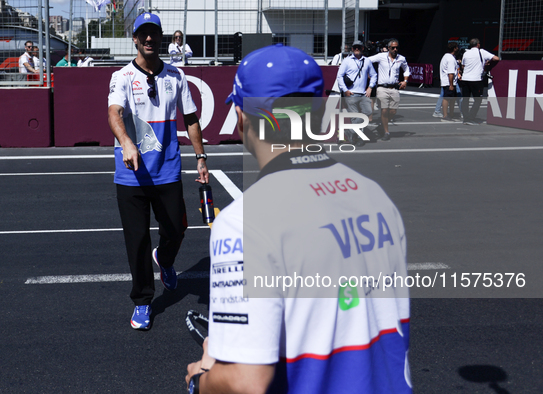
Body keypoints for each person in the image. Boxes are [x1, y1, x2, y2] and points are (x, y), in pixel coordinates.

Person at [185, 44, 411, 393]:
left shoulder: (245, 220)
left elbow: (246, 383)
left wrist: (201, 379)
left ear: (242, 117)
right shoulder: (375, 195)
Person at [108, 13, 209, 330]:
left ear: (161, 38)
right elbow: (114, 112)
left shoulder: (176, 77)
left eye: (154, 33)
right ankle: (142, 301)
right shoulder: (122, 76)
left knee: (177, 229)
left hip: (167, 171)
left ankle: (164, 260)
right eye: (143, 34)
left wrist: (201, 157)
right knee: (136, 240)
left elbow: (190, 118)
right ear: (135, 39)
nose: (149, 38)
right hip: (132, 175)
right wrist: (126, 141)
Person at [337, 40, 377, 146]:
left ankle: (348, 131)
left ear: (362, 48)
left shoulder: (367, 61)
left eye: (359, 47)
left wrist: (370, 87)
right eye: (355, 47)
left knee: (368, 112)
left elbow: (374, 75)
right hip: (351, 94)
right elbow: (339, 76)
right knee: (356, 117)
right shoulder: (347, 61)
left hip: (364, 93)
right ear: (352, 49)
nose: (357, 49)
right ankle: (359, 138)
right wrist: (345, 90)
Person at [369, 38, 410, 141]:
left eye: (397, 47)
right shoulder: (381, 56)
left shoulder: (401, 58)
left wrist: (405, 81)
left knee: (392, 112)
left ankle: (383, 125)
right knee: (384, 110)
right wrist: (370, 75)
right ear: (388, 48)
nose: (395, 49)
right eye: (393, 48)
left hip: (394, 88)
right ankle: (386, 132)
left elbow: (406, 69)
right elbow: (367, 61)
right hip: (382, 88)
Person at [459, 38, 499, 125]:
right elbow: (496, 58)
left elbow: (463, 66)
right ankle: (471, 117)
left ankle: (466, 118)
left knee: (465, 99)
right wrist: (486, 62)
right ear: (478, 45)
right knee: (477, 100)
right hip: (475, 80)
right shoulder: (482, 52)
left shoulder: (466, 53)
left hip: (465, 79)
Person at [439, 42, 461, 122]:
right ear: (454, 48)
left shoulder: (446, 56)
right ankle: (446, 115)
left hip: (447, 82)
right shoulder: (451, 59)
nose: (458, 49)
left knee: (452, 98)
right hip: (449, 82)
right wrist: (451, 84)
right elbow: (450, 73)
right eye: (457, 47)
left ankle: (450, 114)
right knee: (447, 98)